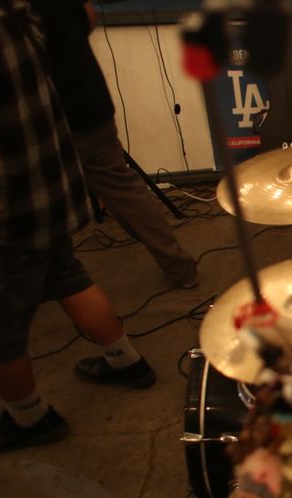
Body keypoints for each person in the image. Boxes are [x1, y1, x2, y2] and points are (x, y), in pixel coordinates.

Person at [0, 0, 156, 452]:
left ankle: (29, 419)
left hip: (1, 206)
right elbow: (83, 21)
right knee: (66, 275)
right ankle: (126, 361)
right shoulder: (16, 8)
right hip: (48, 182)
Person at [29, 0, 198, 288]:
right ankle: (181, 269)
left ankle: (49, 284)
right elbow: (89, 19)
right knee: (125, 191)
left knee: (36, 207)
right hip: (89, 99)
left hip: (50, 116)